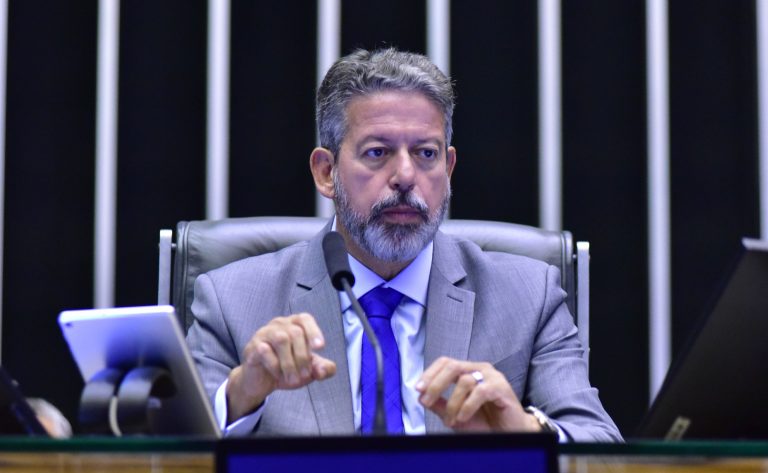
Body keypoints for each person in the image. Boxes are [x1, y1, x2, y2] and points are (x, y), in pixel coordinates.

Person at [187, 47, 622, 441]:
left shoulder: (528, 296)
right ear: (325, 172)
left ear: (448, 169)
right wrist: (240, 395)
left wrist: (525, 430)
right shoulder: (233, 301)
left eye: (426, 153)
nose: (405, 177)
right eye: (377, 152)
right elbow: (166, 452)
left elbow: (603, 449)